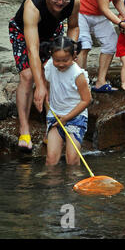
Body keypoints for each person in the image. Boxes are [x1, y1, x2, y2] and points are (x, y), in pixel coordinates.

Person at [9, 0, 80, 152]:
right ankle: (24, 129)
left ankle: (52, 129)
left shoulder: (74, 2)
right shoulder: (33, 5)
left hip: (52, 31)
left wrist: (71, 48)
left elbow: (73, 26)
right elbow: (33, 49)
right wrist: (39, 85)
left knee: (53, 74)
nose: (60, 2)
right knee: (28, 76)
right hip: (23, 31)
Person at [43, 36, 91, 166]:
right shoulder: (49, 66)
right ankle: (51, 185)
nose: (61, 64)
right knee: (51, 159)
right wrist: (44, 94)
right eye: (57, 60)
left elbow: (86, 100)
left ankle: (74, 184)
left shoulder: (77, 74)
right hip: (55, 116)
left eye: (65, 60)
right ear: (51, 55)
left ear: (74, 55)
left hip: (75, 117)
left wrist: (66, 118)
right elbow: (46, 84)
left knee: (72, 158)